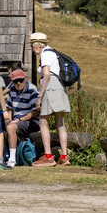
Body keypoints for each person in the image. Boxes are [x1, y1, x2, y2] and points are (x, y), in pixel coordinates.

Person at [29, 32, 70, 167]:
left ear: (37, 45)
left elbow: (46, 75)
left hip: (50, 87)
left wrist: (39, 96)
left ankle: (48, 157)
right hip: (59, 87)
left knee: (42, 121)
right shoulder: (53, 53)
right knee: (60, 122)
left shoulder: (45, 54)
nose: (32, 50)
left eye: (32, 46)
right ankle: (64, 156)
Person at [4, 67, 41, 164]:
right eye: (15, 81)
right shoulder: (12, 90)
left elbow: (35, 112)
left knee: (11, 127)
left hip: (31, 121)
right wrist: (10, 120)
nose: (18, 83)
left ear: (25, 79)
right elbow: (10, 108)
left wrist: (18, 120)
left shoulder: (32, 90)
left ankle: (12, 159)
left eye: (20, 80)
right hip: (17, 120)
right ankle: (0, 157)